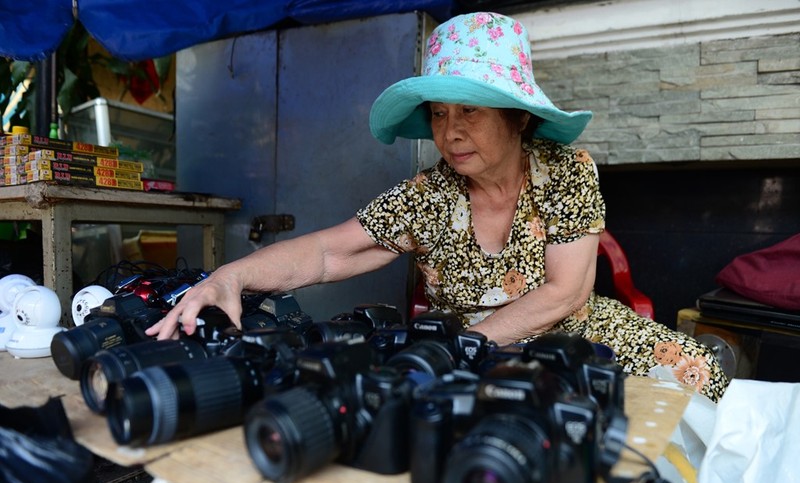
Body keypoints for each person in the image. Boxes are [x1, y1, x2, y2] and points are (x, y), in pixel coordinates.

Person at [147, 12, 729, 402]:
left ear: (519, 116)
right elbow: (328, 253)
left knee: (701, 388)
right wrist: (232, 275)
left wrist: (455, 347)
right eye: (439, 112)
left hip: (573, 337)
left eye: (470, 110)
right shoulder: (428, 196)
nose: (450, 132)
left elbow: (567, 293)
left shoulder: (565, 171)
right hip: (468, 363)